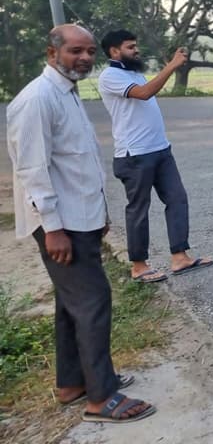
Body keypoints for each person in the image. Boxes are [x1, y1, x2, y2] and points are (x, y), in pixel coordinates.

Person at [6, 24, 155, 423]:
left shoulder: (66, 93)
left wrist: (99, 214)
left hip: (80, 218)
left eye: (90, 51)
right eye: (75, 51)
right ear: (52, 52)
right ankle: (101, 398)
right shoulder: (37, 100)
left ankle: (72, 383)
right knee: (92, 303)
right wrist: (53, 228)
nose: (85, 58)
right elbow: (32, 171)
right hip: (62, 225)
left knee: (71, 305)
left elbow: (78, 161)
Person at [97, 30, 213, 283]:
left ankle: (180, 256)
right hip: (134, 155)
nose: (136, 50)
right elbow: (144, 93)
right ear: (114, 51)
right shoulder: (110, 76)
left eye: (136, 45)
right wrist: (171, 66)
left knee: (177, 198)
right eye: (130, 47)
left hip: (160, 149)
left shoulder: (133, 72)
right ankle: (139, 266)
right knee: (139, 209)